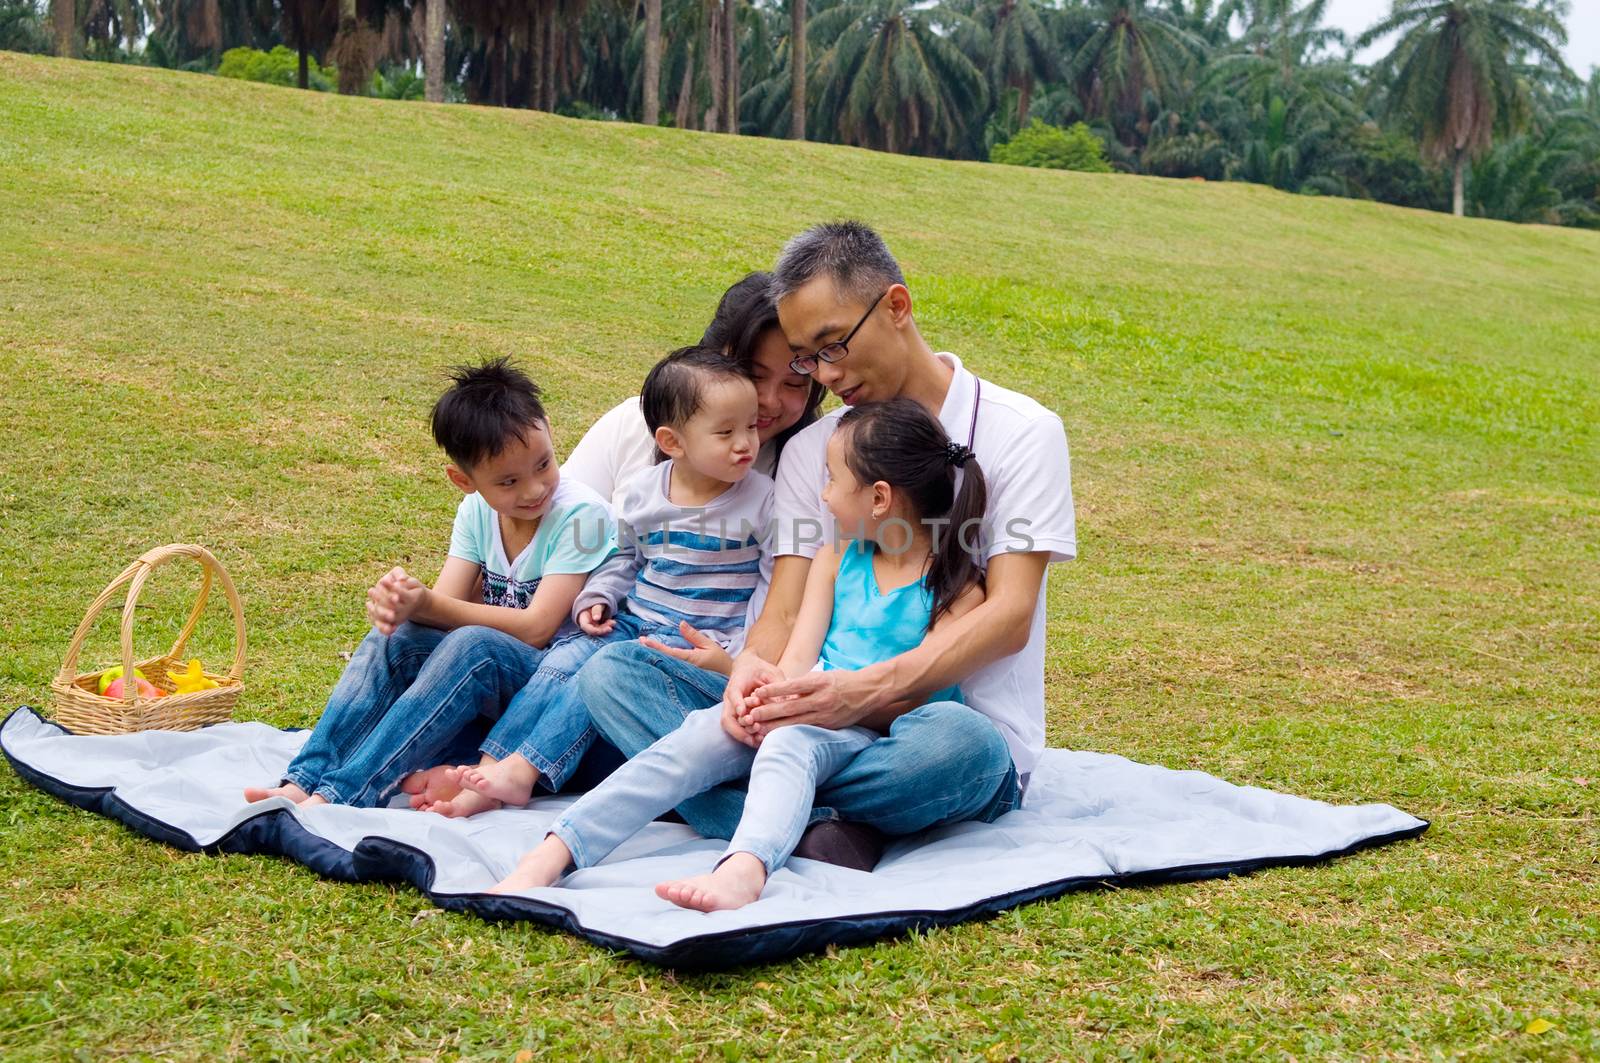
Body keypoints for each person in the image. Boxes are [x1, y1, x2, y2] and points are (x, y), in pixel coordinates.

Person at [574, 221, 1077, 869]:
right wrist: (753, 676)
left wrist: (862, 692)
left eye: (833, 345)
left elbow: (1008, 618)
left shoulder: (1024, 433)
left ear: (896, 307)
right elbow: (785, 611)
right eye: (809, 359)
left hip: (928, 734)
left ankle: (743, 803)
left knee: (963, 747)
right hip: (808, 720)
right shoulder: (816, 451)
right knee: (614, 675)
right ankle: (818, 827)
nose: (826, 375)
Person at [490, 399, 987, 909]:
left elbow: (917, 693)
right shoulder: (837, 556)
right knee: (700, 733)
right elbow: (798, 655)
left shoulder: (958, 589)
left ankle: (744, 867)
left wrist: (816, 708)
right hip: (806, 713)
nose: (825, 494)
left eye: (834, 480)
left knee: (798, 745)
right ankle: (556, 852)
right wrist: (764, 695)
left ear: (879, 498)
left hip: (878, 736)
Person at [419, 345, 775, 816]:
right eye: (726, 432)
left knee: (599, 675)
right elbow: (625, 555)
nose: (745, 443)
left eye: (751, 426)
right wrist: (598, 596)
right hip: (633, 620)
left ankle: (521, 770)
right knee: (564, 661)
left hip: (696, 636)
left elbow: (773, 581)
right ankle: (498, 767)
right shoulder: (647, 491)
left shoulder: (763, 501)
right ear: (673, 442)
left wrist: (738, 650)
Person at [242, 359, 614, 809]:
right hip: (505, 678)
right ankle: (303, 779)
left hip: (555, 686)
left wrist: (428, 604)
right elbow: (444, 609)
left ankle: (346, 792)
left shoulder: (582, 516)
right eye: (509, 481)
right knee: (398, 639)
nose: (535, 489)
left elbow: (538, 628)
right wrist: (404, 606)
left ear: (550, 431)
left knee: (475, 644)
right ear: (464, 481)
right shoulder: (477, 512)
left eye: (544, 464)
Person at [561, 272, 824, 508]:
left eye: (794, 383)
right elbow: (560, 519)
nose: (769, 400)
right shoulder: (633, 425)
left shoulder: (818, 466)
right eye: (752, 375)